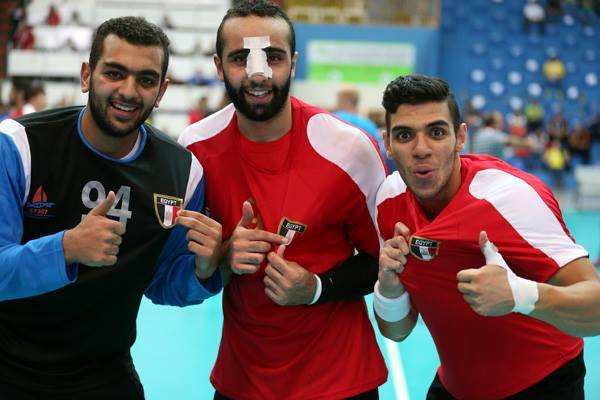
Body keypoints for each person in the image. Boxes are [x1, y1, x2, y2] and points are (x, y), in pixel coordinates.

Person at [0, 16, 223, 399]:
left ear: (162, 91)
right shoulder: (18, 146)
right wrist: (66, 248)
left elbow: (163, 283)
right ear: (87, 75)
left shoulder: (181, 173)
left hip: (102, 370)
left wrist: (204, 270)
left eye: (146, 80)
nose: (128, 91)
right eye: (114, 73)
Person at [178, 1, 388, 399]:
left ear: (293, 62)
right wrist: (223, 256)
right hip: (243, 382)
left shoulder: (349, 150)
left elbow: (387, 260)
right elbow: (180, 273)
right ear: (219, 67)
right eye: (241, 58)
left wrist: (316, 287)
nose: (258, 74)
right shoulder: (194, 151)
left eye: (272, 57)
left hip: (340, 383)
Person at [374, 74, 600, 399]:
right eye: (405, 135)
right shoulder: (388, 202)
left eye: (436, 132)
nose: (421, 149)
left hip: (543, 386)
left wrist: (520, 295)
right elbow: (396, 332)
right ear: (388, 144)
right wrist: (389, 287)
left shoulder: (511, 198)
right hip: (457, 387)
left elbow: (596, 308)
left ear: (461, 137)